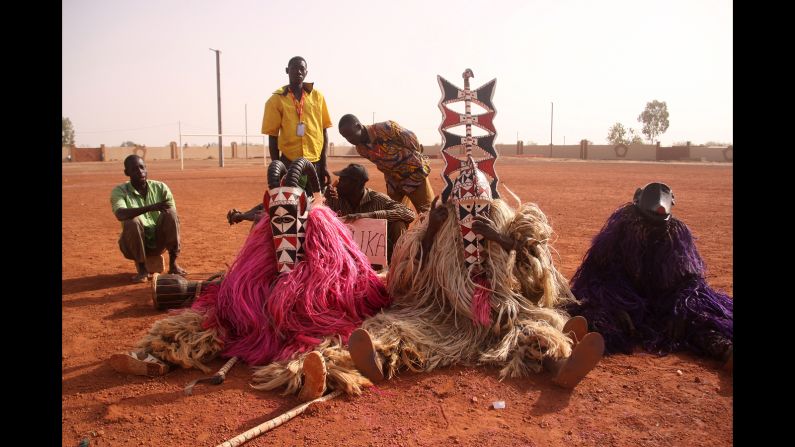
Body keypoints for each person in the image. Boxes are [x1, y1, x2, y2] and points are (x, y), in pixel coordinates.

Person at [251, 158, 604, 400]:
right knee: (400, 331)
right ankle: (375, 360)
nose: (471, 216)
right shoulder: (440, 226)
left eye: (478, 207)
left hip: (500, 309)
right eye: (464, 209)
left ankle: (561, 364)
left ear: (490, 203)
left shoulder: (503, 223)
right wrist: (433, 229)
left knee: (532, 331)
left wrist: (502, 240)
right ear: (453, 207)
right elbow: (410, 279)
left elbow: (534, 269)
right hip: (446, 315)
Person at [109, 158, 392, 403]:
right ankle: (154, 357)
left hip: (309, 302)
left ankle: (313, 373)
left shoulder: (323, 230)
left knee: (324, 329)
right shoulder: (263, 237)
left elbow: (341, 271)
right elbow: (246, 277)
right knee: (211, 322)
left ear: (305, 206)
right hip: (265, 307)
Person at [566, 182, 733, 372]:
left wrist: (681, 308)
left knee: (697, 322)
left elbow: (688, 280)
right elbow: (597, 273)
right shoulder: (618, 231)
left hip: (663, 306)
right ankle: (575, 348)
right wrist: (613, 302)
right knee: (599, 319)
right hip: (621, 304)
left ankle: (724, 348)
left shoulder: (675, 235)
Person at [110, 155, 186, 283]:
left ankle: (173, 264)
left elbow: (170, 214)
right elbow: (120, 214)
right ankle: (142, 269)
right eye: (134, 169)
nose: (140, 171)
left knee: (171, 213)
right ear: (126, 172)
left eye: (142, 167)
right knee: (131, 221)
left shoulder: (160, 188)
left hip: (159, 242)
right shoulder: (119, 191)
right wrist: (150, 208)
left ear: (146, 168)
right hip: (132, 246)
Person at [262, 56, 332, 193]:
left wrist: (324, 166)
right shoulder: (276, 100)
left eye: (302, 69)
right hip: (289, 163)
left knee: (316, 204)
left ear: (306, 72)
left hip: (315, 163)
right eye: (294, 68)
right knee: (291, 204)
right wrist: (278, 168)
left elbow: (324, 132)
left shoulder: (318, 96)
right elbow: (273, 137)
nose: (298, 72)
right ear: (287, 70)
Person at [338, 114, 434, 213]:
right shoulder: (360, 149)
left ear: (358, 126)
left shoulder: (386, 128)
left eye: (350, 135)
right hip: (394, 182)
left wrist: (411, 160)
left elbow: (412, 139)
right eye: (346, 137)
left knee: (427, 212)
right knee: (395, 214)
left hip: (414, 176)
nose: (349, 140)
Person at [324, 163, 415, 264]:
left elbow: (408, 213)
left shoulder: (378, 200)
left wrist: (368, 215)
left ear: (356, 184)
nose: (337, 184)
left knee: (398, 224)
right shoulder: (335, 199)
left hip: (376, 258)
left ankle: (397, 266)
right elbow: (315, 217)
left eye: (342, 180)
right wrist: (324, 198)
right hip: (345, 257)